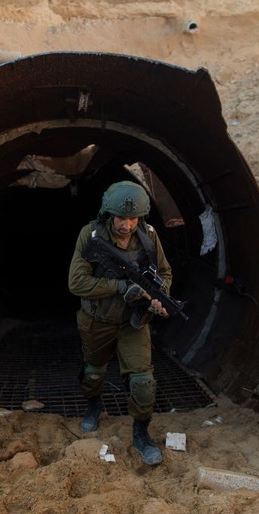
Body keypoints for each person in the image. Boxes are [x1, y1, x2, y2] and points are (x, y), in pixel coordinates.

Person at [68, 180, 173, 465]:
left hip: (133, 322)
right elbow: (76, 282)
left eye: (132, 218)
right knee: (93, 374)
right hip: (97, 320)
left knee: (143, 382)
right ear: (108, 214)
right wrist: (119, 287)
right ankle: (93, 407)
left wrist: (158, 295)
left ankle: (141, 433)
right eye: (120, 218)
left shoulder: (149, 236)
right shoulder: (90, 236)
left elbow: (164, 272)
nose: (126, 225)